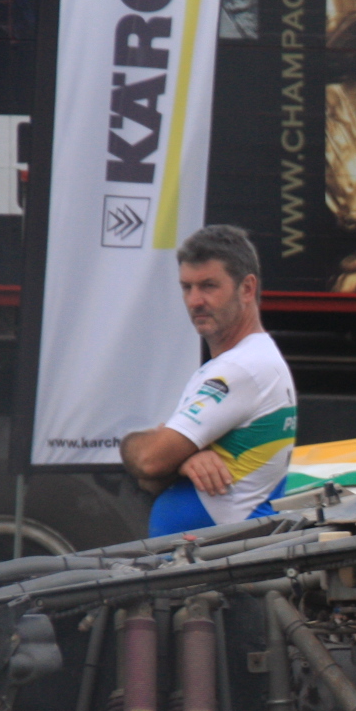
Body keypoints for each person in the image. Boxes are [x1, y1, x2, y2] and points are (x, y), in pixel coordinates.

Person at [121, 226, 299, 537]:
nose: (194, 301)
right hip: (205, 558)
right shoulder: (242, 361)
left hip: (218, 561)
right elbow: (151, 479)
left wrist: (172, 457)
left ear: (247, 289)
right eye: (186, 287)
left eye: (208, 286)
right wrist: (182, 461)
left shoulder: (243, 367)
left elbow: (149, 461)